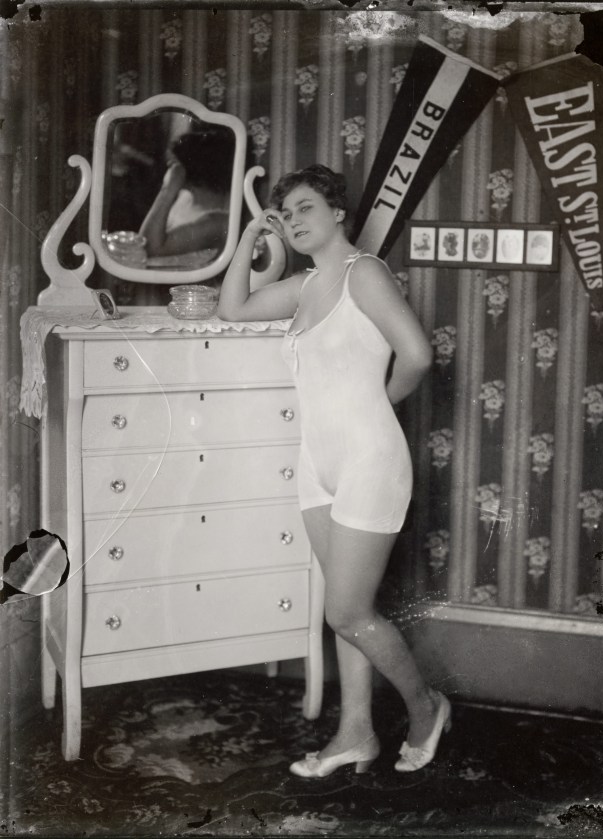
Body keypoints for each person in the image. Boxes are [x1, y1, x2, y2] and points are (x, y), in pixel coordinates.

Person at [217, 164, 450, 777]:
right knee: (350, 607)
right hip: (316, 462)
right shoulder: (303, 286)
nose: (294, 221)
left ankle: (426, 709)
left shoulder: (362, 273)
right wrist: (249, 240)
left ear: (338, 212)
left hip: (369, 457)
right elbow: (233, 309)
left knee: (346, 613)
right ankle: (355, 735)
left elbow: (418, 354)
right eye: (285, 214)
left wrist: (379, 405)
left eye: (305, 208)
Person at [139, 128, 233, 260]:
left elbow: (148, 247)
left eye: (175, 163)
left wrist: (168, 189)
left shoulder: (218, 220)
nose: (170, 166)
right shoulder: (185, 198)